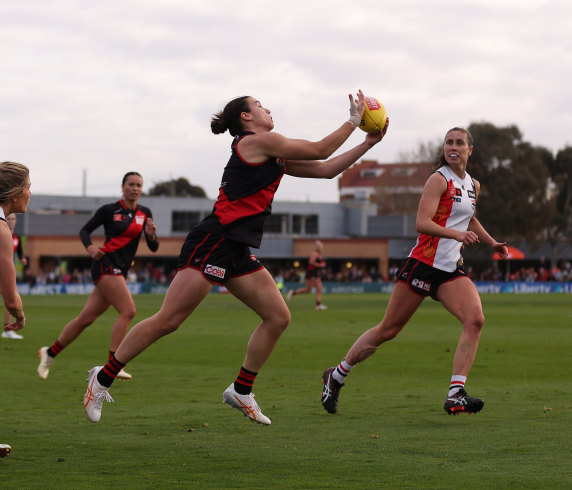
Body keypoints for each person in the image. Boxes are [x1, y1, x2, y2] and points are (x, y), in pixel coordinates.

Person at [82, 90, 389, 425]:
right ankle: (102, 377)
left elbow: (327, 168)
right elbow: (320, 149)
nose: (267, 108)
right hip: (214, 241)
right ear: (246, 117)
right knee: (169, 320)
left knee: (278, 317)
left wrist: (368, 143)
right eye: (259, 105)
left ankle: (241, 390)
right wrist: (352, 120)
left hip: (236, 248)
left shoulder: (273, 153)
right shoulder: (256, 142)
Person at [321, 127, 508, 416]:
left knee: (475, 320)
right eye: (449, 142)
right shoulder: (438, 179)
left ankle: (456, 393)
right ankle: (336, 376)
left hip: (449, 270)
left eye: (459, 142)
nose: (453, 146)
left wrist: (492, 241)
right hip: (423, 264)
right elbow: (421, 223)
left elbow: (469, 218)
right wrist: (456, 236)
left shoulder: (473, 184)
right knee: (388, 330)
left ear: (471, 150)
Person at [37, 172, 159, 380]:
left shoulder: (145, 213)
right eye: (131, 184)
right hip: (105, 264)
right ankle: (113, 364)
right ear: (122, 187)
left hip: (120, 269)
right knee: (128, 310)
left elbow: (154, 248)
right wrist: (91, 248)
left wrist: (151, 235)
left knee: (86, 319)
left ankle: (49, 353)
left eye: (138, 185)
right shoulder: (109, 210)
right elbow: (84, 231)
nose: (135, 188)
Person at [0, 161, 31, 459]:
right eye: (29, 187)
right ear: (15, 193)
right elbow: (10, 296)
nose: (30, 193)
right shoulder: (1, 230)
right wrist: (20, 317)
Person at [1, 214, 28, 339]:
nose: (11, 221)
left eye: (13, 219)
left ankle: (7, 328)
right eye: (9, 219)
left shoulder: (16, 237)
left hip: (7, 271)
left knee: (10, 297)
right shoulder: (2, 233)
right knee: (10, 297)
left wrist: (22, 258)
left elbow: (19, 250)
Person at [286, 240, 328, 310]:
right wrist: (320, 265)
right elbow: (311, 262)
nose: (321, 247)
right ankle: (293, 292)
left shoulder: (318, 254)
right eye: (320, 246)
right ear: (318, 247)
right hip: (311, 273)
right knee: (309, 290)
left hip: (315, 273)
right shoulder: (315, 254)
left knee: (318, 289)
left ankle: (318, 305)